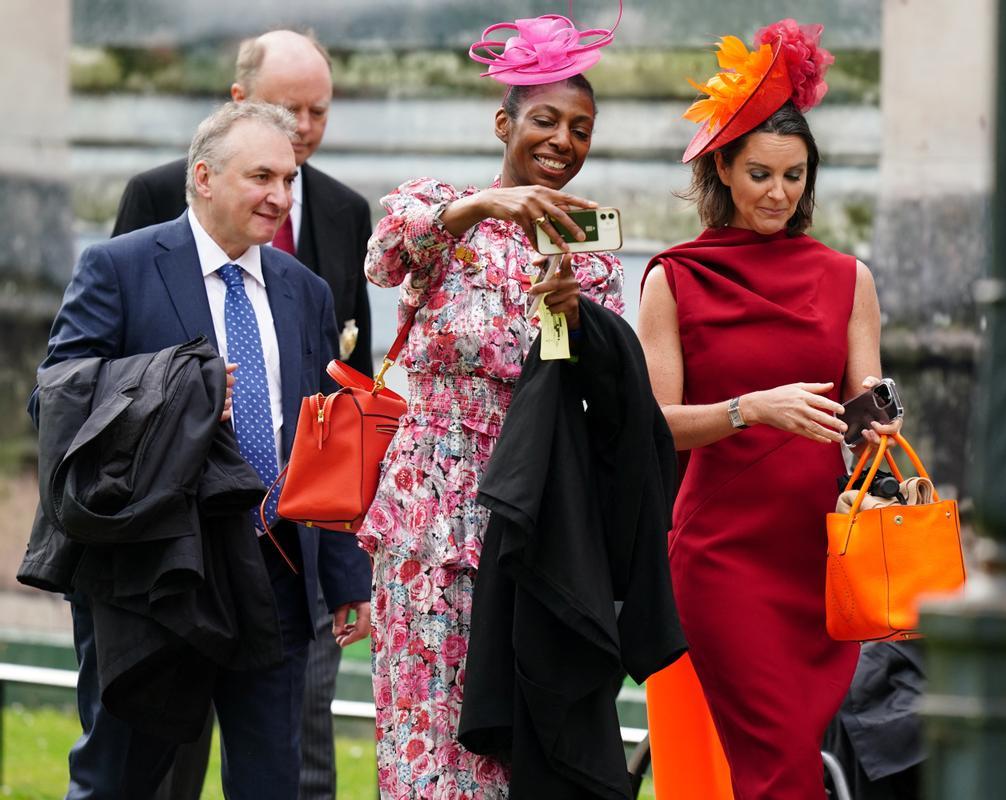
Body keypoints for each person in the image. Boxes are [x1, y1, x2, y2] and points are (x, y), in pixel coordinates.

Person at [34, 101, 371, 800]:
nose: (280, 197)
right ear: (205, 177)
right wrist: (169, 397)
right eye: (262, 177)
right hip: (154, 570)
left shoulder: (304, 291)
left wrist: (345, 575)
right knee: (117, 782)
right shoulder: (120, 267)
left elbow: (325, 436)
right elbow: (53, 399)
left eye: (289, 178)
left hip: (273, 569)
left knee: (273, 785)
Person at [357, 8, 625, 798]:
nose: (563, 142)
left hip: (529, 509)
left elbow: (595, 394)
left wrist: (573, 316)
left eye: (581, 129)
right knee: (425, 730)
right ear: (503, 121)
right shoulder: (441, 208)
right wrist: (485, 207)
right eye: (546, 120)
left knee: (510, 735)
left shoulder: (588, 260)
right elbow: (384, 255)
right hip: (429, 507)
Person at [637, 20, 903, 800]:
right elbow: (654, 425)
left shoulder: (847, 278)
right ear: (723, 166)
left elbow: (866, 406)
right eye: (759, 174)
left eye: (793, 176)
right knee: (781, 767)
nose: (778, 194)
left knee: (783, 767)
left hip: (821, 561)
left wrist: (879, 425)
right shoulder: (674, 280)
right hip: (722, 559)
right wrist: (749, 409)